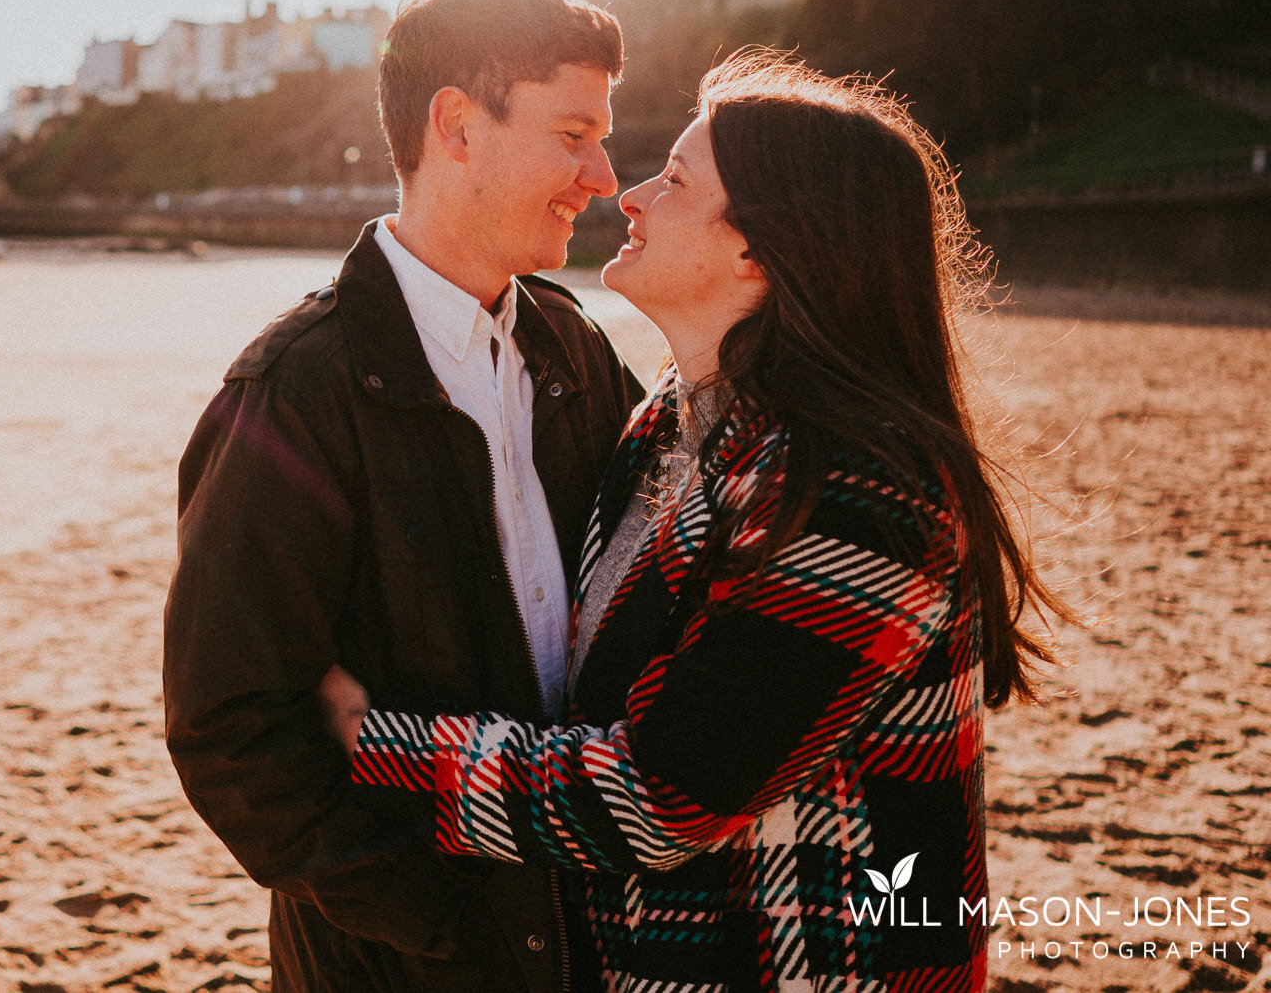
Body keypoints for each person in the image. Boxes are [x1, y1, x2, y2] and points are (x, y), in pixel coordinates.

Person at [323, 53, 1067, 993]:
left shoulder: (861, 491)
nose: (628, 194)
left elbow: (662, 795)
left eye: (674, 180)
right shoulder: (662, 426)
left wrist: (372, 740)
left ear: (760, 247)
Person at [164, 0, 647, 992]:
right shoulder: (295, 390)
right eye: (571, 134)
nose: (600, 175)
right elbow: (229, 726)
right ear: (455, 125)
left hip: (587, 942)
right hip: (403, 965)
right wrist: (426, 918)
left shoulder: (574, 349)